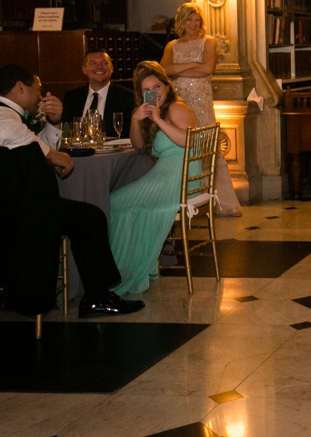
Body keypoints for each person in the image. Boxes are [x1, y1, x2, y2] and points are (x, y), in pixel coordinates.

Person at [0, 64, 144, 318]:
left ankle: (97, 294)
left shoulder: (14, 116)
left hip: (24, 206)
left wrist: (54, 123)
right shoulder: (5, 117)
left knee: (89, 217)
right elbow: (18, 138)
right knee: (91, 218)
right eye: (38, 89)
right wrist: (55, 156)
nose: (40, 96)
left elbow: (31, 143)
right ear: (20, 88)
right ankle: (97, 297)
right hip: (24, 212)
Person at [107, 62, 200, 295]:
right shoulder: (152, 112)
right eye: (147, 89)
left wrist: (158, 119)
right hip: (166, 174)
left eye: (157, 86)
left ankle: (121, 273)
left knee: (114, 202)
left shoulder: (176, 108)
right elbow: (138, 146)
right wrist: (137, 120)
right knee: (123, 202)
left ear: (167, 87)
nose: (154, 93)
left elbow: (189, 141)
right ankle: (134, 265)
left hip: (179, 177)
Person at [161, 3, 242, 217]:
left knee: (208, 148)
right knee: (183, 147)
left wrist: (180, 70)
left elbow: (207, 69)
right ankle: (188, 200)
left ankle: (221, 202)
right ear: (181, 22)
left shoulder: (209, 42)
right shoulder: (172, 45)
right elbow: (164, 70)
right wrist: (191, 65)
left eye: (197, 20)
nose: (193, 24)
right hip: (179, 101)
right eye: (189, 20)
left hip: (201, 101)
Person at [61, 48, 137, 136]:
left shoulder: (127, 97)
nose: (99, 67)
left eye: (104, 63)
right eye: (93, 63)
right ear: (84, 69)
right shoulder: (71, 98)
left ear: (111, 68)